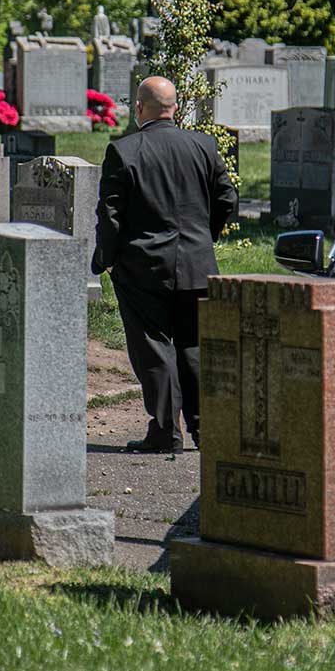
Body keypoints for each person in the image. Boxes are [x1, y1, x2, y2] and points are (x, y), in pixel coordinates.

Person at [92, 76, 238, 453]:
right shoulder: (203, 145)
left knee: (153, 346)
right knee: (193, 345)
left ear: (139, 108)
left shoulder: (123, 151)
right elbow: (227, 199)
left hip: (143, 267)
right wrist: (206, 238)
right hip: (197, 264)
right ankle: (205, 429)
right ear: (175, 107)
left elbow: (110, 214)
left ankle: (164, 430)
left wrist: (106, 259)